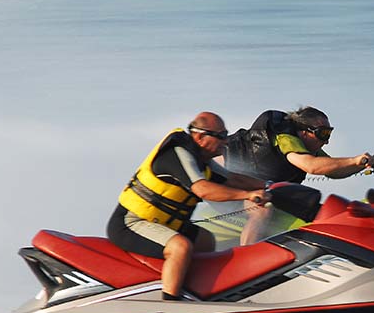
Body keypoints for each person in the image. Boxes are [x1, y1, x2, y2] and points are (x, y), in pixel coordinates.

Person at [107, 112, 269, 301]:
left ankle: (203, 295)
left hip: (164, 223)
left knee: (206, 240)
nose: (226, 142)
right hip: (131, 223)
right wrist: (248, 195)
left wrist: (268, 186)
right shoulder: (178, 154)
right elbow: (203, 190)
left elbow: (232, 179)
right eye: (221, 136)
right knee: (180, 247)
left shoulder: (201, 160)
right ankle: (170, 304)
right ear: (200, 137)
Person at [223, 106, 374, 243]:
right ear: (304, 132)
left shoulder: (309, 147)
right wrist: (354, 160)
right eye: (323, 133)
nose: (326, 141)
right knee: (262, 211)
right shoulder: (286, 139)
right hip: (230, 182)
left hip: (257, 185)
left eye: (328, 133)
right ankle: (248, 262)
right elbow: (310, 166)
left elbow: (333, 170)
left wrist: (362, 164)